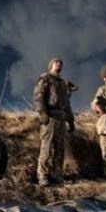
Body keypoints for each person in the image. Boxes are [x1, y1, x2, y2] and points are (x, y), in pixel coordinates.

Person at [33, 58, 75, 187]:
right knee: (46, 148)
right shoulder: (45, 78)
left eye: (61, 63)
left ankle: (57, 174)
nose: (59, 64)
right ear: (51, 65)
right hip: (50, 117)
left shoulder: (62, 83)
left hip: (61, 118)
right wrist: (42, 112)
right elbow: (39, 96)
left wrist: (70, 120)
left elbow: (66, 104)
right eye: (57, 62)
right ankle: (42, 175)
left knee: (60, 149)